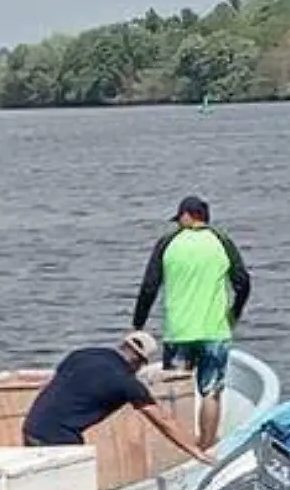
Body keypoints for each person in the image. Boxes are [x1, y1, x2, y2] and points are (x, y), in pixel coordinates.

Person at [131, 195, 252, 451]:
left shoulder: (168, 243)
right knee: (211, 391)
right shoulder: (221, 241)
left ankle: (180, 448)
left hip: (178, 332)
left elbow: (149, 286)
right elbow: (242, 282)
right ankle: (207, 446)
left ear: (187, 215)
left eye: (179, 219)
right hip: (214, 331)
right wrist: (234, 313)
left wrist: (138, 324)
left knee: (176, 392)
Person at [21, 330, 212, 464]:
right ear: (140, 362)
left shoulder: (81, 355)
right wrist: (196, 451)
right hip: (59, 439)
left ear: (122, 345)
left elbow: (61, 385)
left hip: (31, 427)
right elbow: (163, 421)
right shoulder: (126, 383)